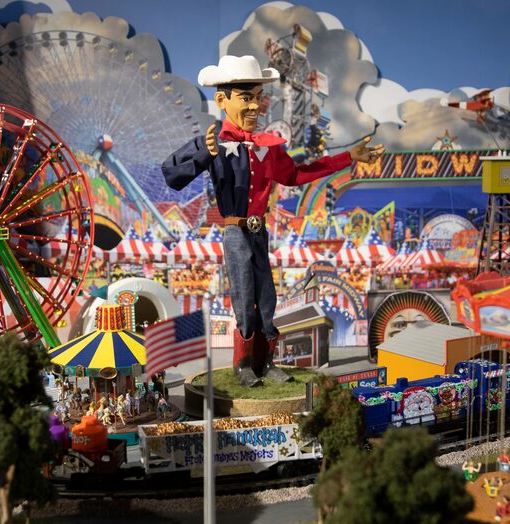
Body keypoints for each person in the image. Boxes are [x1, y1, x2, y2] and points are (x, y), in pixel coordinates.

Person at [162, 55, 382, 387]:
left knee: (267, 297)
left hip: (258, 231)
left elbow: (295, 174)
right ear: (222, 100)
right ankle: (244, 365)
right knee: (243, 296)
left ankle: (266, 363)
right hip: (235, 231)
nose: (253, 106)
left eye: (256, 97)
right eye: (244, 97)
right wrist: (204, 155)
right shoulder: (214, 140)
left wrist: (347, 157)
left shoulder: (268, 147)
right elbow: (172, 175)